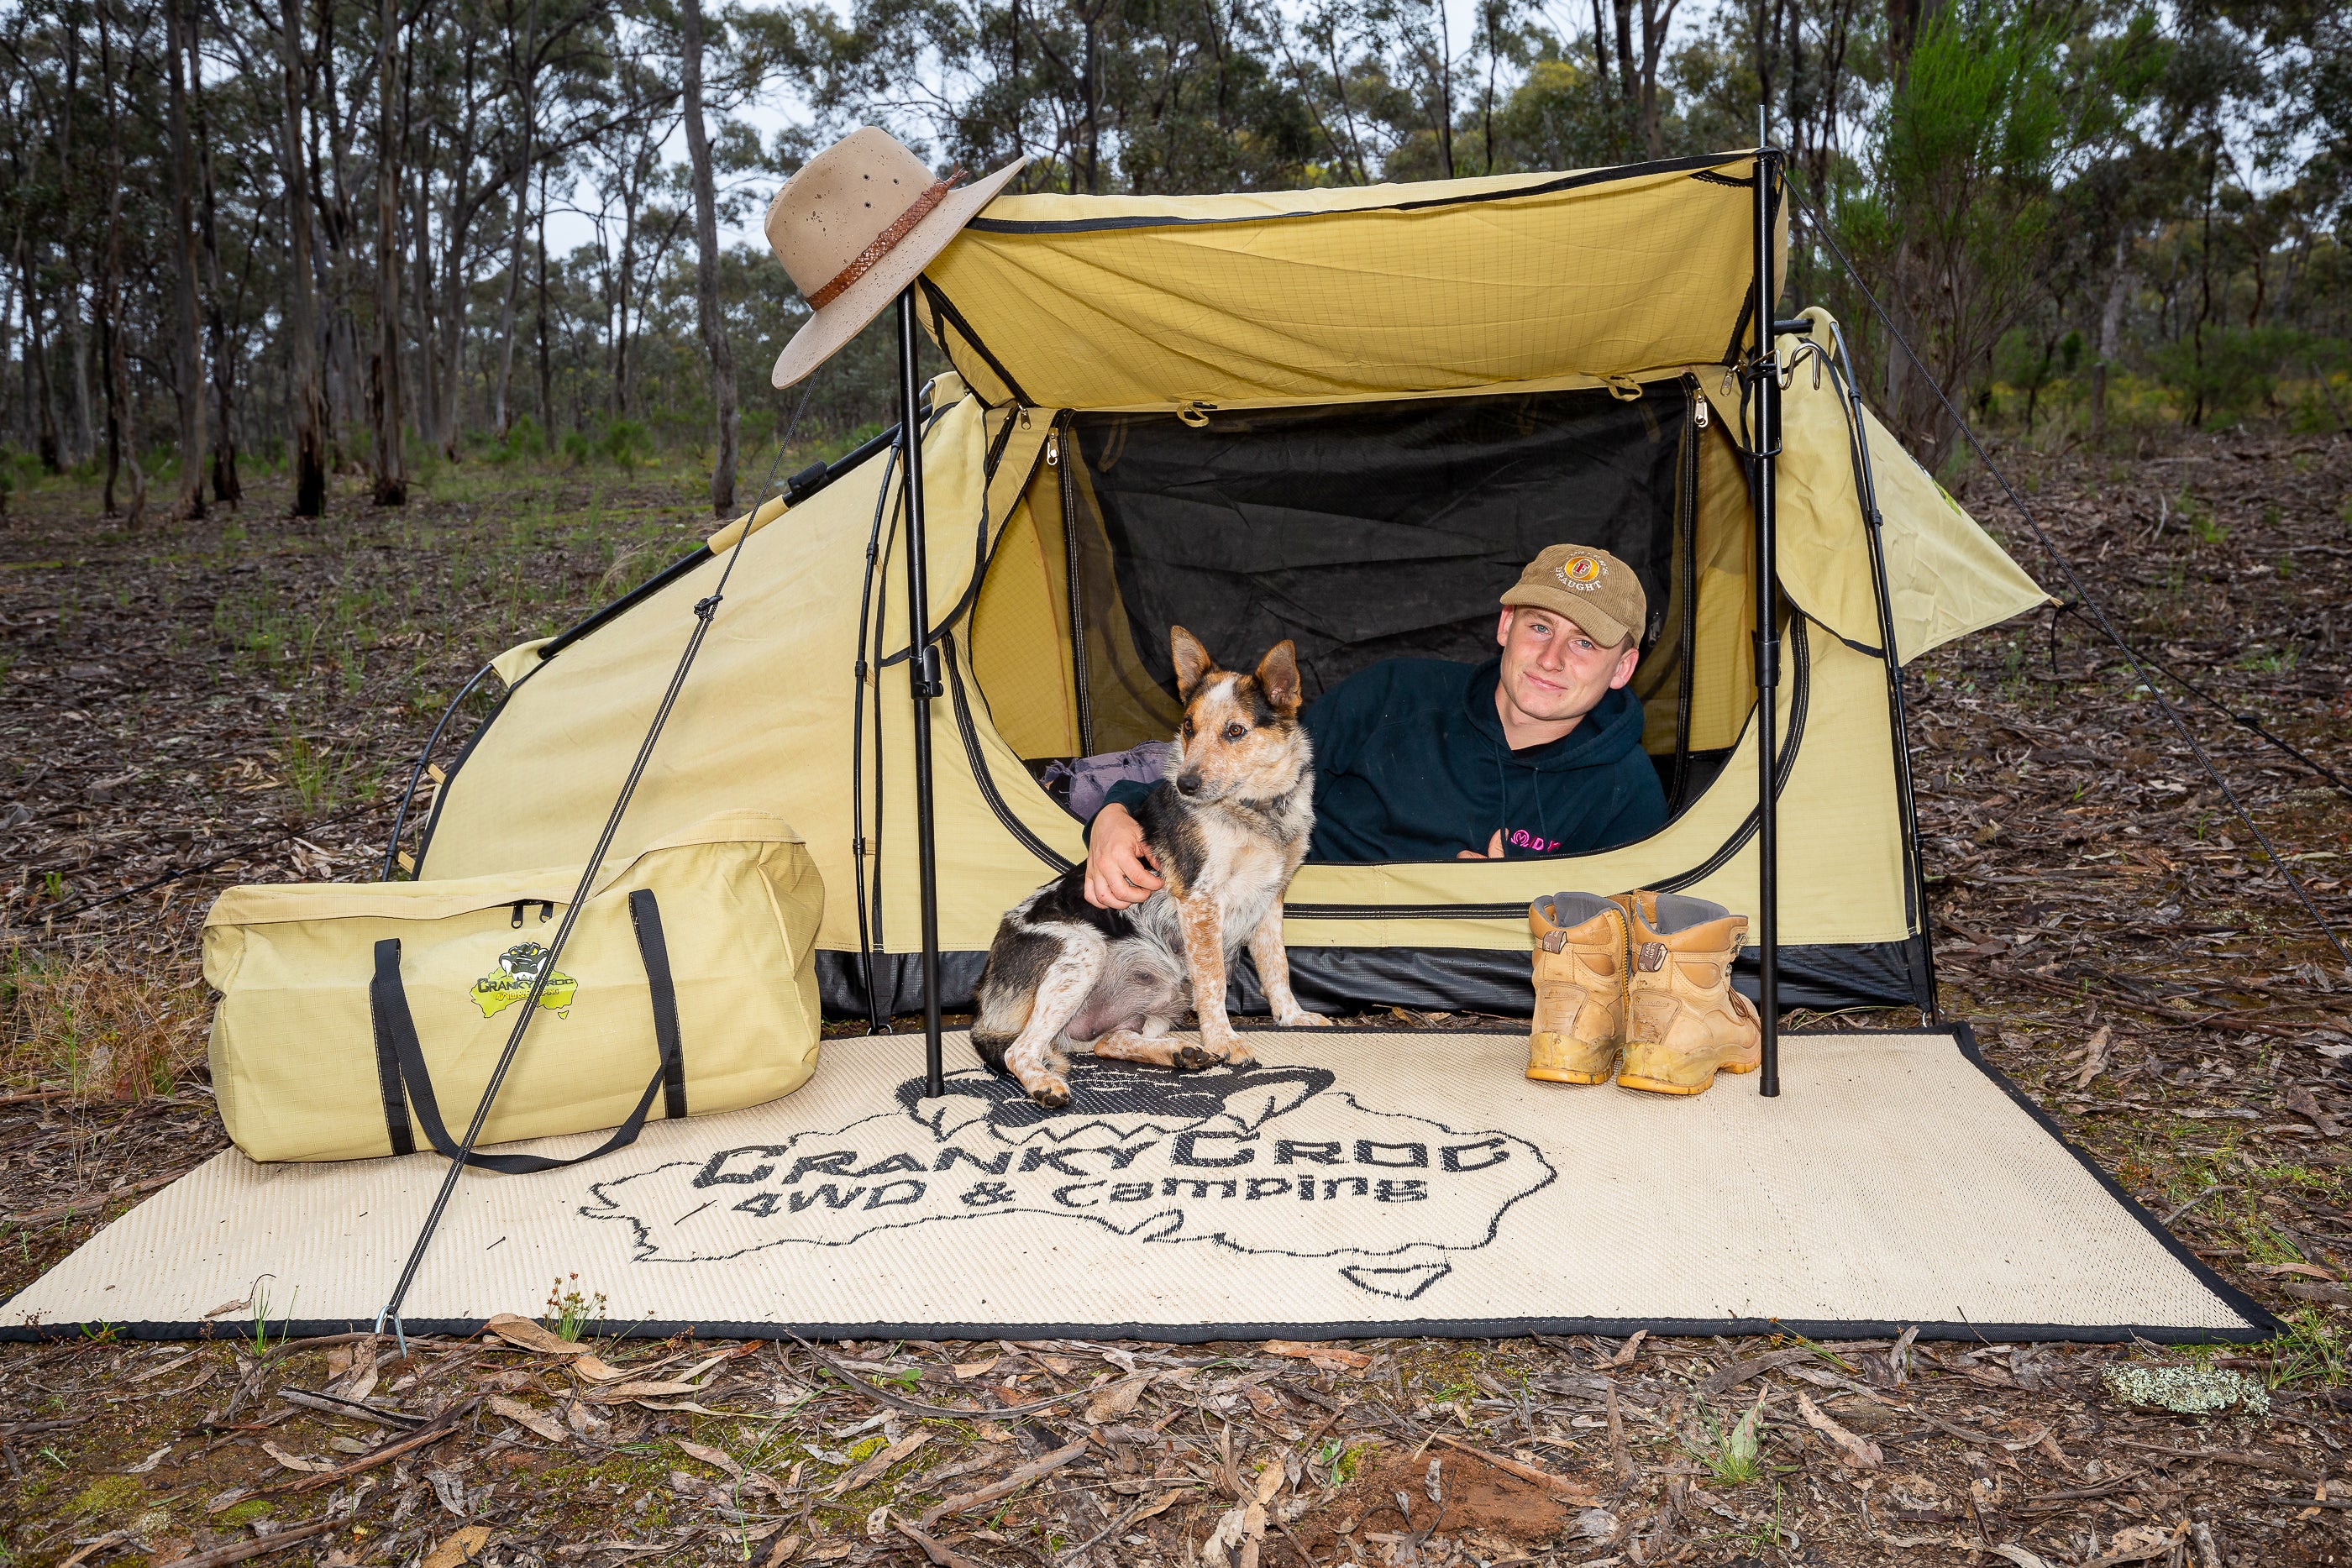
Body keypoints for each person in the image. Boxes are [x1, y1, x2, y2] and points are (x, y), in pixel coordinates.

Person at [1082, 544, 1669, 910]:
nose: (1551, 658)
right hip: (1315, 925)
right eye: (1540, 627)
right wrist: (1117, 813)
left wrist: (1522, 902)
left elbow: (1640, 935)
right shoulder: (1395, 696)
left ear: (1622, 668)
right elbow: (1248, 774)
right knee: (1115, 790)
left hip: (1454, 992)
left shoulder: (1626, 791)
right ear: (1506, 625)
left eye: (1584, 643)